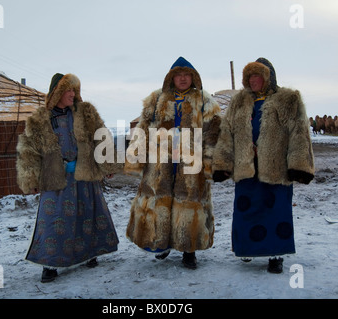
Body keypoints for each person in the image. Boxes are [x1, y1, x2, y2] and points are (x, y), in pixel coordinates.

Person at [212, 58, 314, 273]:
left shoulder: (288, 99)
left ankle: (276, 255)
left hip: (276, 168)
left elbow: (299, 134)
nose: (253, 80)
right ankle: (248, 249)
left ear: (269, 78)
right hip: (246, 167)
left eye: (258, 76)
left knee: (276, 210)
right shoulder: (239, 101)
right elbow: (226, 134)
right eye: (250, 77)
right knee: (246, 209)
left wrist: (299, 165)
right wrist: (222, 163)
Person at [16, 73, 120, 282]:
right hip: (56, 177)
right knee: (54, 219)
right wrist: (31, 179)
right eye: (68, 90)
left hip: (85, 175)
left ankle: (90, 253)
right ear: (57, 93)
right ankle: (49, 263)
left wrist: (108, 164)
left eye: (74, 90)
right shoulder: (41, 119)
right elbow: (28, 150)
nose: (73, 94)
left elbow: (101, 137)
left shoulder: (85, 113)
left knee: (89, 213)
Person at [125, 57, 222, 269]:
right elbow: (142, 129)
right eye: (179, 75)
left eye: (187, 75)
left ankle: (189, 251)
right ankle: (161, 243)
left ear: (193, 77)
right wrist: (136, 158)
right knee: (161, 204)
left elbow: (213, 135)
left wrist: (210, 163)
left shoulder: (205, 101)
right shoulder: (157, 99)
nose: (183, 79)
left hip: (190, 164)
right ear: (171, 78)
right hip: (160, 164)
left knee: (189, 206)